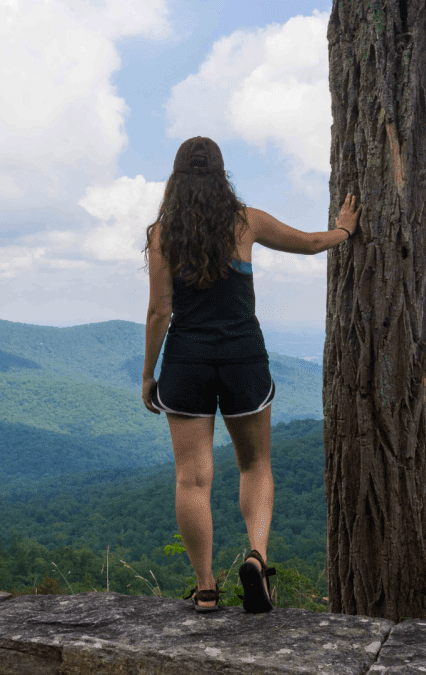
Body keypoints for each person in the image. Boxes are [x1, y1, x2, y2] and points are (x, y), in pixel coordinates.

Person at [140, 136, 361, 613]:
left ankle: (205, 588)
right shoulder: (246, 221)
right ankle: (257, 559)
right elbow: (308, 243)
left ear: (176, 178)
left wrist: (147, 374)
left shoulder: (162, 234)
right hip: (243, 358)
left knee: (192, 479)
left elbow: (160, 311)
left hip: (186, 362)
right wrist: (343, 231)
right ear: (222, 175)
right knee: (254, 464)